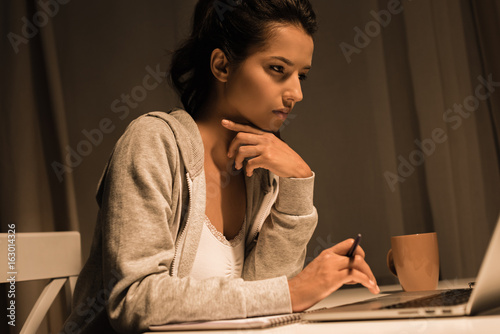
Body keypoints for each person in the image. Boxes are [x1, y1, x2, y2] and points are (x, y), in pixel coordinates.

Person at [62, 0, 380, 333]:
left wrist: (298, 182)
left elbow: (264, 300)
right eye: (278, 69)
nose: (296, 93)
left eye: (301, 75)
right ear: (222, 66)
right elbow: (134, 300)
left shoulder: (261, 170)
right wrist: (295, 290)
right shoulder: (153, 143)